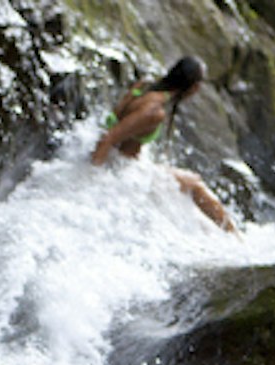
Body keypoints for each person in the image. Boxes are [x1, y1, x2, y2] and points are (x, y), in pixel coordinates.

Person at [90, 56, 239, 233]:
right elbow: (108, 139)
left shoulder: (143, 86)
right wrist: (92, 185)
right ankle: (237, 239)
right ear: (193, 87)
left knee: (191, 191)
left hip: (122, 164)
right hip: (122, 170)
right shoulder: (154, 112)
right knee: (195, 184)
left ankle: (227, 234)